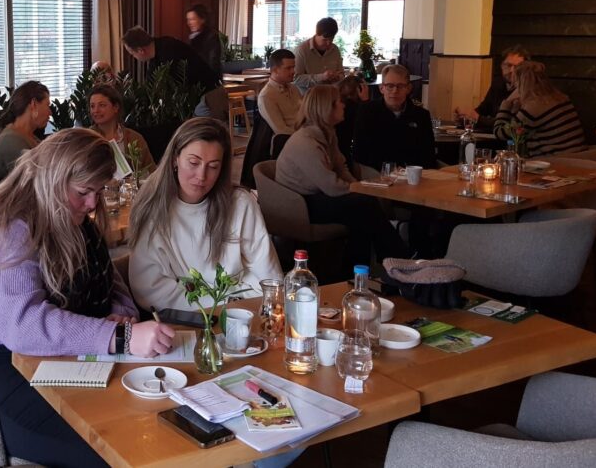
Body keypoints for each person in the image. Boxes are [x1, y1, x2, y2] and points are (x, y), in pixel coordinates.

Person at [0, 128, 175, 468]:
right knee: (110, 446)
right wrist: (119, 337)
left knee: (136, 420)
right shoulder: (4, 229)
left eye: (99, 191)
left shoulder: (67, 215)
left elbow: (108, 280)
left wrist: (120, 315)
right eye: (84, 192)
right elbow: (23, 326)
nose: (93, 204)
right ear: (53, 179)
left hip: (43, 353)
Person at [128, 117, 283, 311]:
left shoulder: (240, 204)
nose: (201, 176)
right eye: (193, 162)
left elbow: (270, 280)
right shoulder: (154, 207)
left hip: (241, 316)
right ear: (175, 158)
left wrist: (227, 306)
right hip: (183, 321)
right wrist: (221, 302)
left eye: (213, 166)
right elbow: (149, 289)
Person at [275, 85, 407, 267]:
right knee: (364, 205)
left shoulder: (327, 133)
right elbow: (331, 186)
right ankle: (398, 259)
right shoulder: (305, 142)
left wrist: (360, 187)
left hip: (317, 196)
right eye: (339, 102)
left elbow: (341, 167)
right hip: (299, 203)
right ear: (326, 108)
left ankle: (361, 268)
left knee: (361, 215)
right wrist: (361, 190)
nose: (343, 105)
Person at [122, 26, 225, 120]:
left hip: (207, 97)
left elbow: (178, 87)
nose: (133, 57)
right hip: (194, 99)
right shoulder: (155, 56)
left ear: (140, 50)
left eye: (132, 53)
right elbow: (150, 87)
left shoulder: (169, 49)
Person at [352, 64, 436, 172]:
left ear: (409, 88)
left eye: (400, 86)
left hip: (414, 176)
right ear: (381, 88)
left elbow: (428, 154)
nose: (395, 91)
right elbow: (359, 153)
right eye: (390, 86)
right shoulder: (367, 112)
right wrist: (390, 169)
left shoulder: (421, 115)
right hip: (377, 175)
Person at [494, 61, 586, 157]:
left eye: (516, 83)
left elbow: (500, 133)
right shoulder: (561, 98)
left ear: (522, 83)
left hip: (556, 162)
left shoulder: (534, 108)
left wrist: (506, 104)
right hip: (579, 157)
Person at [456, 45, 529, 130]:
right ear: (502, 66)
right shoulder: (497, 83)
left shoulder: (527, 90)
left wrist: (478, 118)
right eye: (508, 65)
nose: (512, 70)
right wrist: (465, 117)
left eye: (517, 67)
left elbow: (511, 125)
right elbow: (483, 109)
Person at [88, 84, 156, 174]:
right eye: (92, 106)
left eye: (102, 105)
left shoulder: (135, 138)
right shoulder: (86, 138)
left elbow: (151, 172)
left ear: (115, 107)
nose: (96, 110)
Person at [0, 81, 50, 182]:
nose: (50, 112)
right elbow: (35, 181)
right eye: (47, 105)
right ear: (33, 104)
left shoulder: (29, 136)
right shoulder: (9, 140)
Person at [256, 48, 302, 136]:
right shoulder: (267, 96)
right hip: (288, 143)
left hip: (302, 135)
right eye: (288, 68)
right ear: (275, 70)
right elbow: (281, 131)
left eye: (293, 67)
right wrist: (306, 136)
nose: (293, 71)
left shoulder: (293, 88)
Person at [293, 17, 344, 92]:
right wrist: (322, 77)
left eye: (331, 39)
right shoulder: (302, 50)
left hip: (331, 97)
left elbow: (341, 74)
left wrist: (338, 77)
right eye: (325, 40)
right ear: (317, 34)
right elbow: (296, 79)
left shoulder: (335, 50)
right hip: (308, 99)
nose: (328, 43)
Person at [335, 74, 369, 167]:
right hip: (345, 152)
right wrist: (365, 101)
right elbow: (366, 125)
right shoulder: (354, 108)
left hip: (338, 149)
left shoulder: (337, 104)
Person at [185, 3, 222, 75]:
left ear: (202, 19)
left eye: (192, 19)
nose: (189, 23)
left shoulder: (212, 37)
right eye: (188, 20)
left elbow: (213, 64)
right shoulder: (192, 38)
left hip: (207, 79)